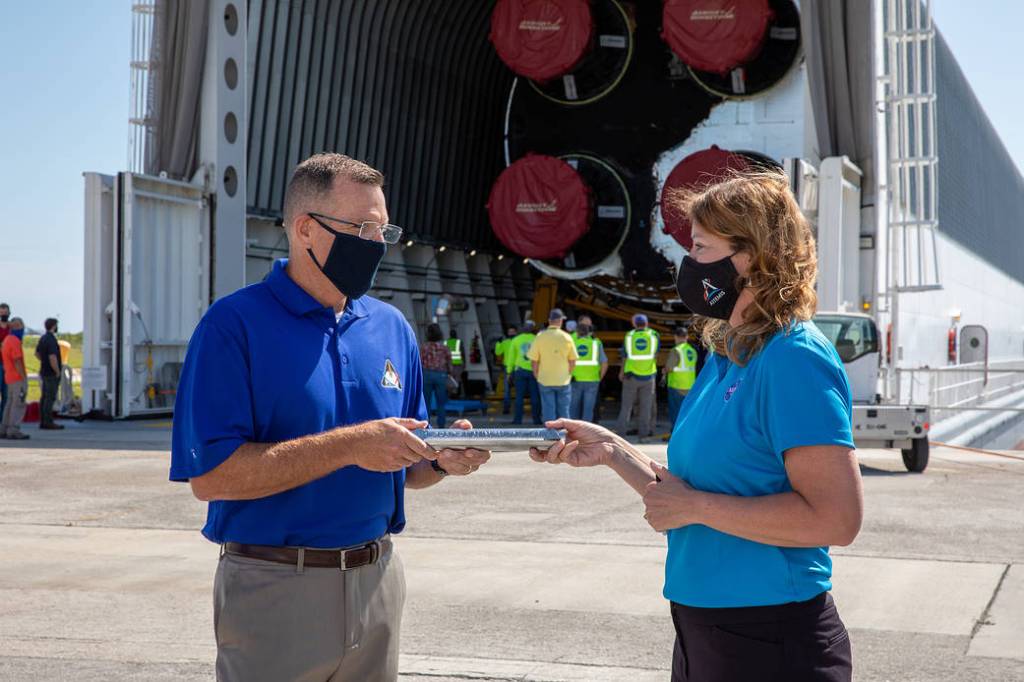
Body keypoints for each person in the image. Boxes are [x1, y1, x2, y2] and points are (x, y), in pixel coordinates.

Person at [170, 153, 492, 682]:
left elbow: (406, 467)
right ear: (305, 229)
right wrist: (349, 447)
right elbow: (211, 476)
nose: (375, 243)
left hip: (377, 583)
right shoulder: (233, 326)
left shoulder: (392, 329)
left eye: (382, 228)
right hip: (274, 586)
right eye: (360, 227)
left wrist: (441, 462)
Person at [530, 170, 862, 682]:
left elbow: (835, 519)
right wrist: (613, 450)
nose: (688, 263)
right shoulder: (728, 353)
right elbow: (684, 499)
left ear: (749, 258)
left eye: (702, 246)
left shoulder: (794, 358)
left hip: (771, 636)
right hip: (703, 629)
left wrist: (697, 506)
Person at [527, 308, 578, 422]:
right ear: (560, 321)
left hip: (545, 379)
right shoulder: (567, 337)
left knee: (548, 409)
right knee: (564, 410)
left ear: (549, 321)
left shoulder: (540, 336)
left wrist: (536, 374)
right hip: (563, 379)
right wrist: (568, 373)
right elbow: (573, 361)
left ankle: (550, 435)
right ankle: (563, 434)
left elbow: (534, 361)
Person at [614, 313, 660, 439]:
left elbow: (624, 355)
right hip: (649, 376)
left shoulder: (629, 336)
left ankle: (621, 433)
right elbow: (656, 354)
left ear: (635, 324)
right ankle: (643, 434)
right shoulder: (654, 335)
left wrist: (621, 371)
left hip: (631, 376)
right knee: (646, 407)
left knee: (626, 406)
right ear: (646, 324)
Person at [569, 322, 607, 422]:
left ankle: (572, 431)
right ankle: (586, 433)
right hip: (592, 380)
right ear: (589, 332)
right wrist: (599, 377)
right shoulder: (596, 343)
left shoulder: (572, 343)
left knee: (573, 408)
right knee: (588, 409)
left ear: (577, 332)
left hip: (575, 380)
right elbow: (604, 363)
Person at [421, 323, 453, 428]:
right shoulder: (444, 347)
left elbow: (420, 362)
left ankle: (426, 425)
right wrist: (450, 373)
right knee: (441, 402)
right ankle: (441, 425)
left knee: (426, 403)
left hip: (427, 374)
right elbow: (449, 362)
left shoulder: (424, 347)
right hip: (441, 375)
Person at [1, 317, 29, 440]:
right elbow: (17, 360)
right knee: (18, 404)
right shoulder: (15, 341)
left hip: (9, 377)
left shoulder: (6, 340)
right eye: (21, 326)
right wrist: (24, 378)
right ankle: (13, 429)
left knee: (9, 403)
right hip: (17, 377)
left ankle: (4, 428)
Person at [508, 320, 540, 425]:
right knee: (535, 396)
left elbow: (511, 358)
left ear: (523, 328)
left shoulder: (516, 340)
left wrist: (509, 372)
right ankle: (536, 420)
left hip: (520, 371)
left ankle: (517, 420)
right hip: (534, 371)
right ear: (532, 329)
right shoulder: (537, 340)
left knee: (519, 396)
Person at [664, 326, 697, 425]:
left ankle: (674, 434)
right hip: (689, 385)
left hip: (677, 385)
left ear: (676, 337)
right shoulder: (692, 351)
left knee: (675, 413)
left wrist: (664, 370)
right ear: (686, 337)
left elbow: (669, 367)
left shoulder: (676, 350)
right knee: (686, 412)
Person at [35, 317, 64, 430]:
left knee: (44, 397)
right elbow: (52, 357)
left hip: (44, 371)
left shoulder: (43, 338)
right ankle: (48, 421)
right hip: (51, 373)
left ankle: (43, 420)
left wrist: (44, 361)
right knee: (50, 398)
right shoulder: (51, 339)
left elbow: (36, 353)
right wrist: (57, 370)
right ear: (54, 326)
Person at [496, 326, 517, 414]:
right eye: (510, 331)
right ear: (507, 333)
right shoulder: (507, 342)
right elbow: (498, 352)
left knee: (510, 389)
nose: (511, 333)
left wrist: (499, 342)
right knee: (509, 389)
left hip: (515, 368)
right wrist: (499, 343)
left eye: (512, 331)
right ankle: (507, 408)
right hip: (510, 368)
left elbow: (497, 352)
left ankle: (511, 408)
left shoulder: (516, 341)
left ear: (515, 332)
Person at [0, 303, 10, 421]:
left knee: (6, 394)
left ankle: (3, 419)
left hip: (9, 365)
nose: (3, 315)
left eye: (5, 313)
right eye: (1, 313)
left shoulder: (11, 328)